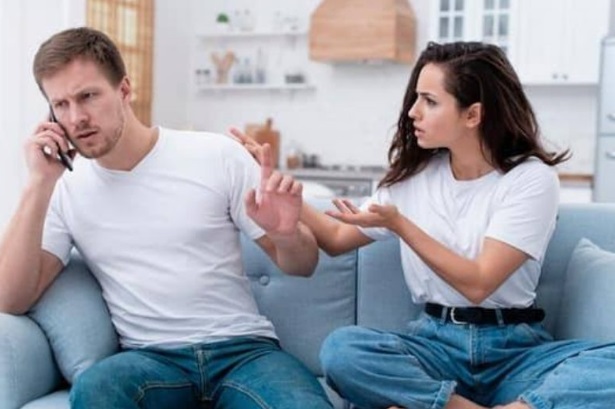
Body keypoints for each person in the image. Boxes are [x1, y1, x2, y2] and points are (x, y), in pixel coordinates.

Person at [233, 41, 615, 409]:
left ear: (473, 115)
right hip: (434, 349)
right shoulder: (412, 179)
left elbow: (479, 283)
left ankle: (429, 404)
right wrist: (277, 184)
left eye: (429, 101)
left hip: (514, 352)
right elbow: (334, 238)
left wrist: (401, 226)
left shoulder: (529, 179)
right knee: (342, 350)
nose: (413, 112)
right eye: (416, 98)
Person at [0, 27, 333, 409]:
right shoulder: (63, 188)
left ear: (125, 90)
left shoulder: (216, 155)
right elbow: (9, 299)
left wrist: (287, 234)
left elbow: (303, 264)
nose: (76, 118)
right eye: (61, 104)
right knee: (95, 390)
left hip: (244, 352)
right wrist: (38, 184)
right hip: (150, 361)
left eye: (88, 96)